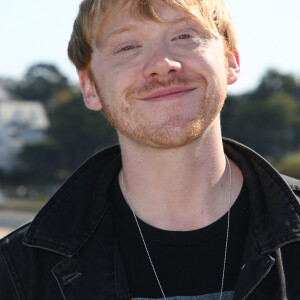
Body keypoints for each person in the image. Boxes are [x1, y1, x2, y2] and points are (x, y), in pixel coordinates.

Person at [1, 0, 300, 299]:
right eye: (128, 46)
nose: (162, 64)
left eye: (184, 36)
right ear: (90, 87)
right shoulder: (18, 273)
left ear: (231, 61)